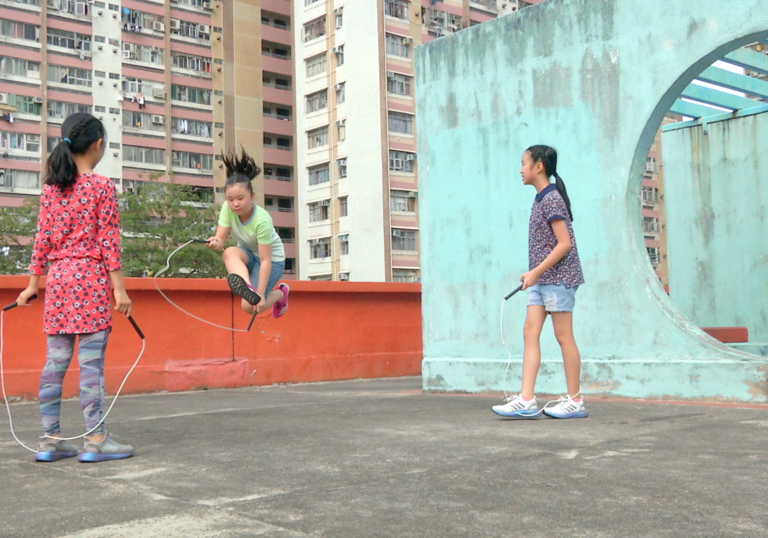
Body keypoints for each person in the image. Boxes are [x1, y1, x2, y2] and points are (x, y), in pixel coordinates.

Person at [16, 113, 135, 461]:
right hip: (92, 280)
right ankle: (95, 439)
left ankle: (49, 440)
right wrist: (120, 289)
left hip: (58, 282)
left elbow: (42, 240)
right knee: (91, 365)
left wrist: (31, 285)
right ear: (98, 145)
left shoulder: (52, 189)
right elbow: (108, 242)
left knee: (54, 364)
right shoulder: (101, 187)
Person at [492, 145, 586, 419]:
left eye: (523, 163)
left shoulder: (552, 198)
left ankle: (576, 400)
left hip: (559, 279)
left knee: (563, 336)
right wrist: (533, 274)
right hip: (541, 279)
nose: (520, 169)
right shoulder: (540, 199)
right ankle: (526, 399)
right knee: (529, 332)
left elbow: (564, 244)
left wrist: (535, 272)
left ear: (539, 167)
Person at [207, 147, 289, 318]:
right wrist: (216, 242)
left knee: (248, 306)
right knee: (229, 252)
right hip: (249, 255)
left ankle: (281, 293)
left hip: (271, 261)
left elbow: (265, 260)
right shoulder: (227, 209)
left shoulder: (262, 219)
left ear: (252, 195)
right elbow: (221, 239)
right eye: (230, 199)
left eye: (240, 198)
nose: (235, 204)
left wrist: (259, 294)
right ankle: (247, 286)